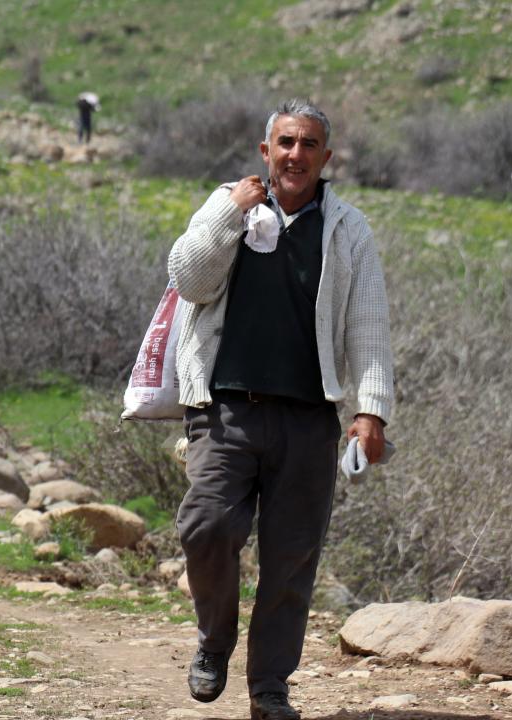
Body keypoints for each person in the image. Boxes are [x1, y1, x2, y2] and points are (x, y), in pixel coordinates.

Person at [167, 98, 393, 720]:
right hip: (225, 409)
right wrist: (228, 218)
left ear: (326, 158)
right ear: (265, 151)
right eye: (285, 143)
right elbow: (187, 279)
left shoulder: (348, 230)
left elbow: (368, 327)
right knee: (206, 526)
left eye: (309, 145)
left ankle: (269, 687)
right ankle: (215, 641)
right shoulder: (229, 205)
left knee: (291, 560)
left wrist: (371, 411)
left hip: (309, 419)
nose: (296, 155)